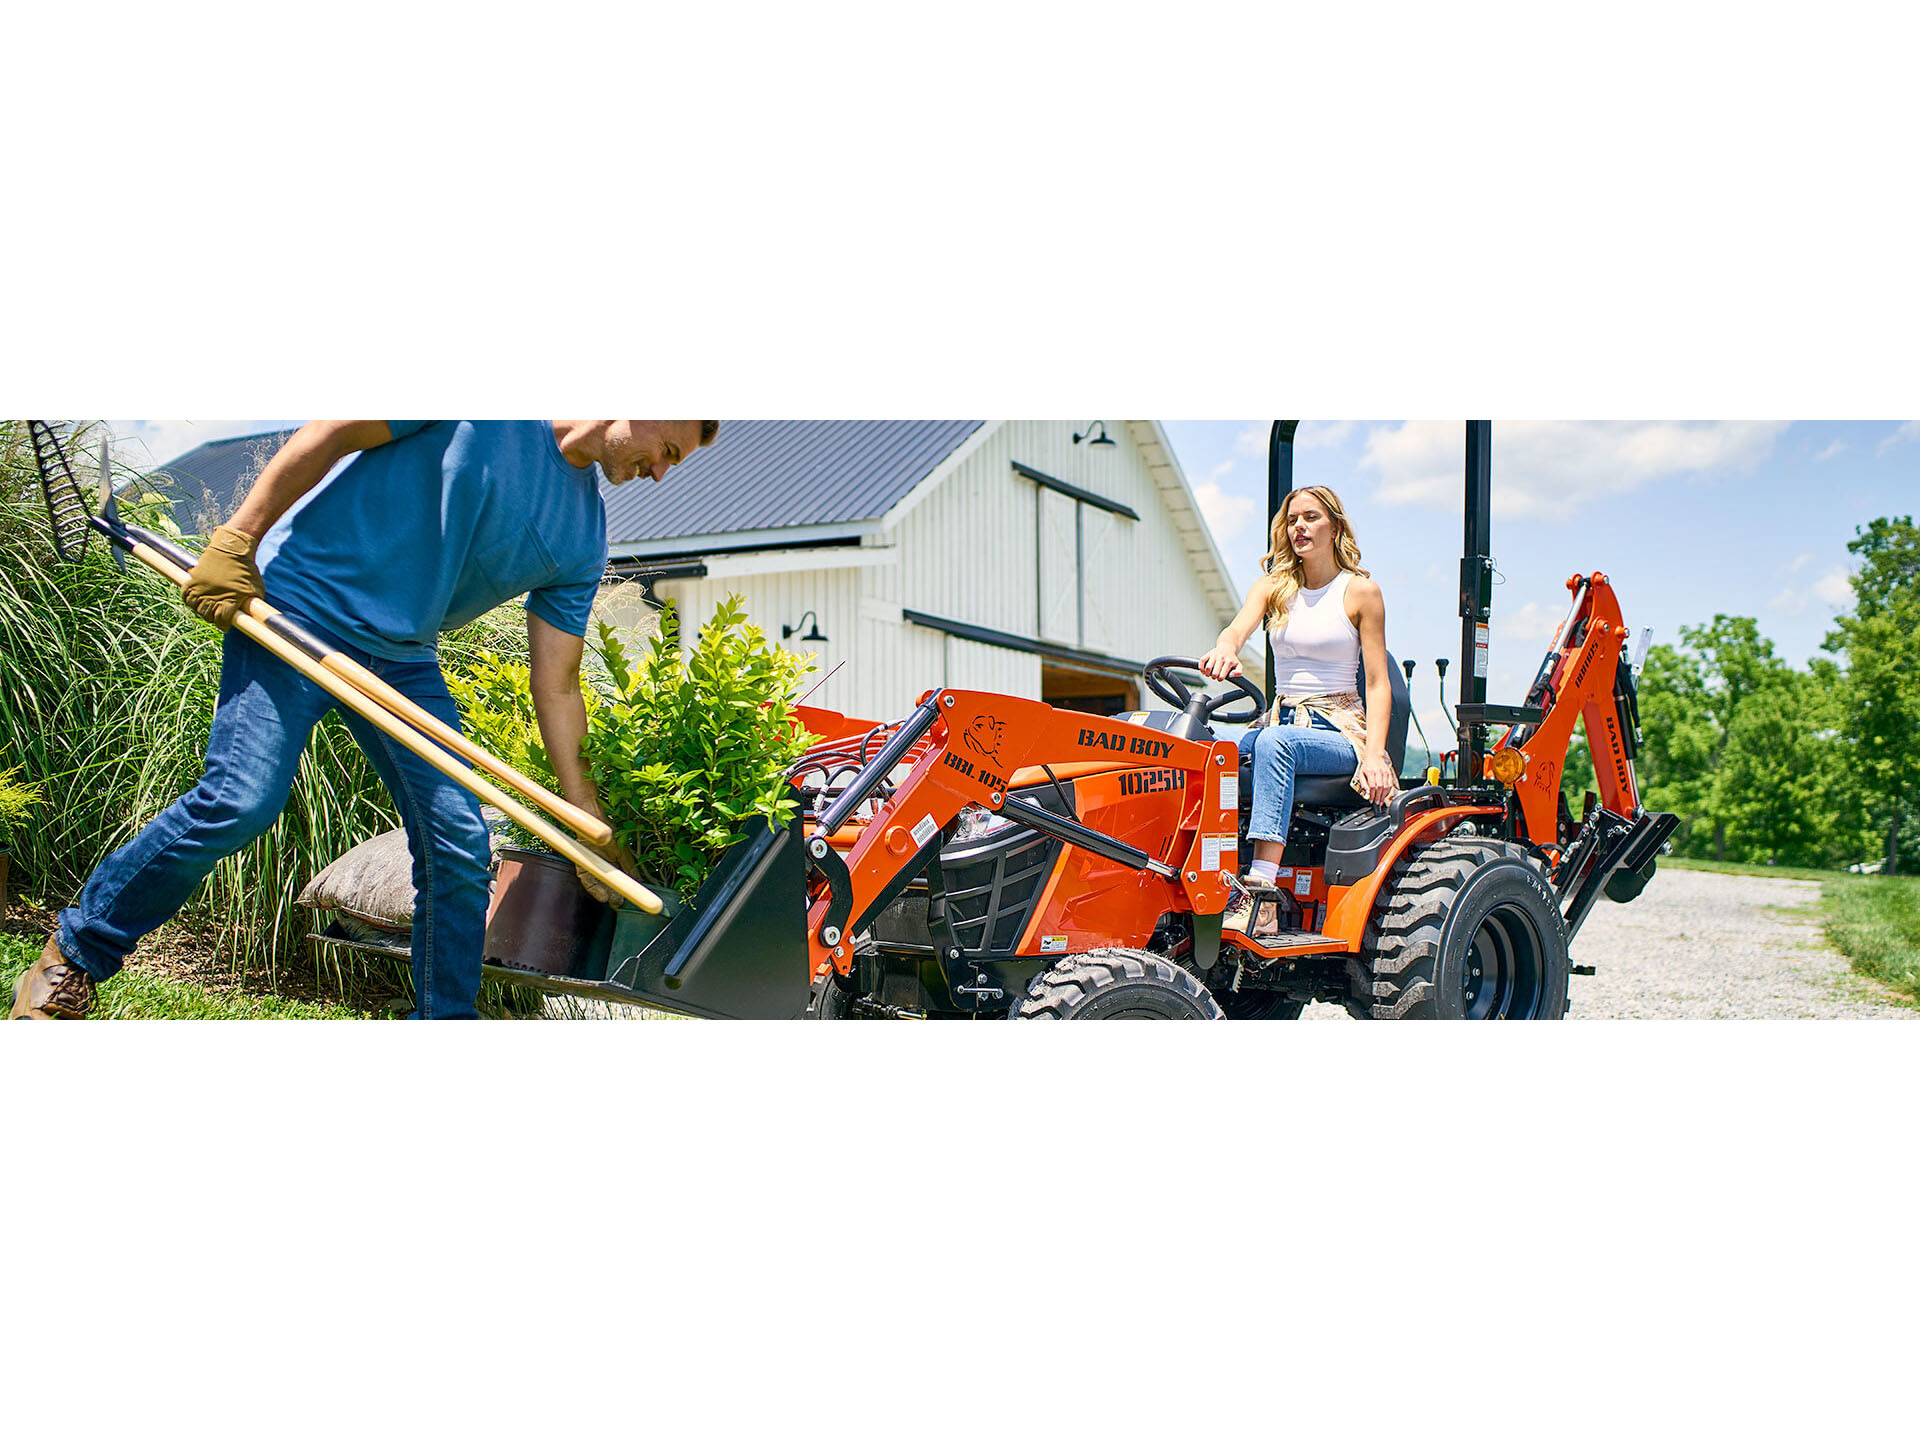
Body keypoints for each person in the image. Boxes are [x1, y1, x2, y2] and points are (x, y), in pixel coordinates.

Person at [11, 420, 717, 1020]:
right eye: (668, 450)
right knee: (239, 801)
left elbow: (557, 683)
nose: (660, 472)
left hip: (402, 658)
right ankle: (75, 956)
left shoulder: (583, 536)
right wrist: (236, 541)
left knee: (459, 843)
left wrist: (585, 820)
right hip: (298, 608)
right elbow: (330, 432)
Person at [1198, 485, 1396, 938]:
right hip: (1283, 721)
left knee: (1274, 744)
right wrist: (1225, 648)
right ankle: (1200, 876)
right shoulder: (1273, 587)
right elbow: (1235, 631)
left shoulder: (1360, 592)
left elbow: (1377, 683)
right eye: (1292, 520)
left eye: (1310, 517)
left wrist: (1374, 755)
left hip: (1337, 729)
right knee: (1207, 751)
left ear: (1335, 527)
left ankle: (1261, 897)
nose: (1299, 527)